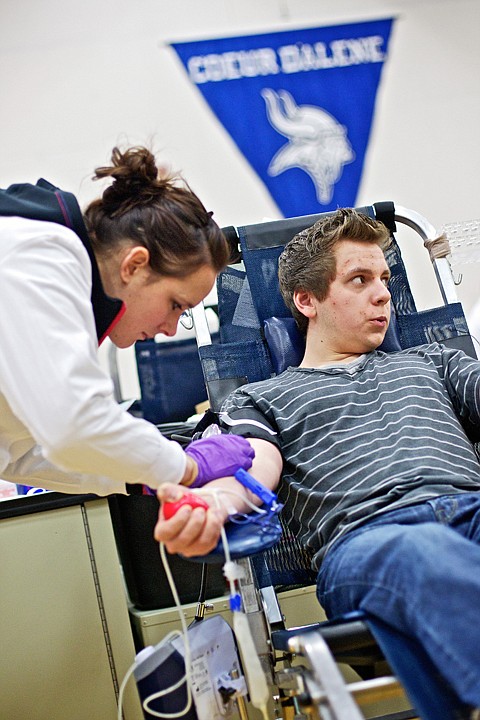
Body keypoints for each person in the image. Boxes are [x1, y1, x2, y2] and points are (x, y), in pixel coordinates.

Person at [155, 207, 480, 715]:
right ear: (306, 301)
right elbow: (251, 467)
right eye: (360, 279)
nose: (384, 294)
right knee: (421, 551)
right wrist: (214, 502)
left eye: (385, 279)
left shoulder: (433, 361)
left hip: (469, 511)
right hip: (370, 541)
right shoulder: (263, 398)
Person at [0, 145, 254, 497]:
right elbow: (73, 427)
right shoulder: (39, 254)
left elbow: (20, 450)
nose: (169, 328)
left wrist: (146, 475)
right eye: (175, 305)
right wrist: (188, 467)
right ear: (134, 265)